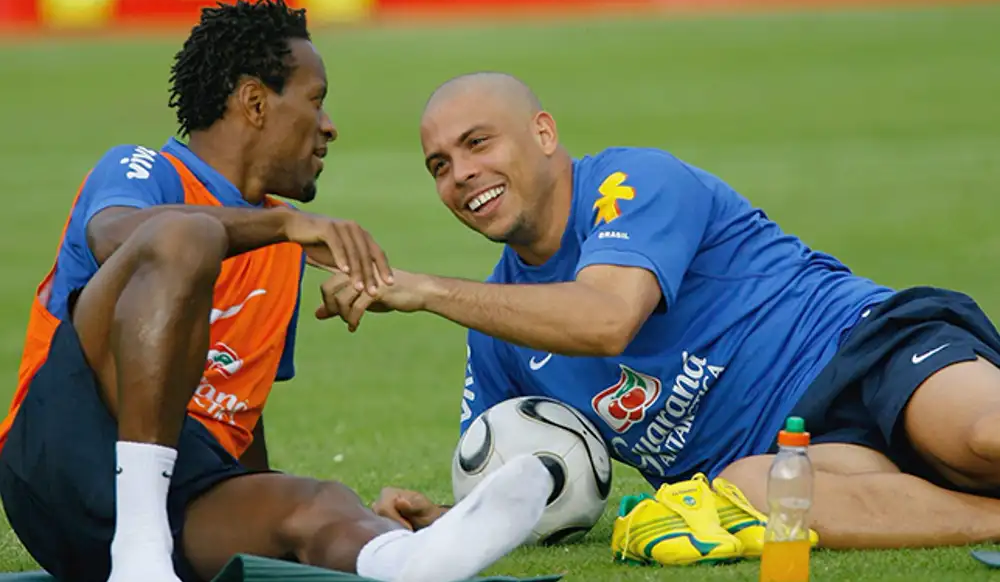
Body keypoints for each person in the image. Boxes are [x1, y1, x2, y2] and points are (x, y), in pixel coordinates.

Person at [329, 72, 1000, 554]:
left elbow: (605, 319)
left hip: (862, 348)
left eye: (479, 143)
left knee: (981, 440)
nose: (461, 174)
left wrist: (426, 291)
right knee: (760, 491)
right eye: (439, 165)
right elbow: (518, 476)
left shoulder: (629, 183)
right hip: (793, 459)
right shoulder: (500, 332)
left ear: (542, 132)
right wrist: (444, 520)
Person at [0, 10, 555, 582]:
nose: (329, 126)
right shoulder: (145, 169)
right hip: (56, 464)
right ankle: (139, 554)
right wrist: (284, 227)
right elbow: (117, 236)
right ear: (256, 104)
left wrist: (288, 511)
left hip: (177, 499)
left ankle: (407, 559)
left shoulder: (280, 243)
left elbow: (236, 418)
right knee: (189, 236)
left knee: (322, 502)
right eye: (316, 101)